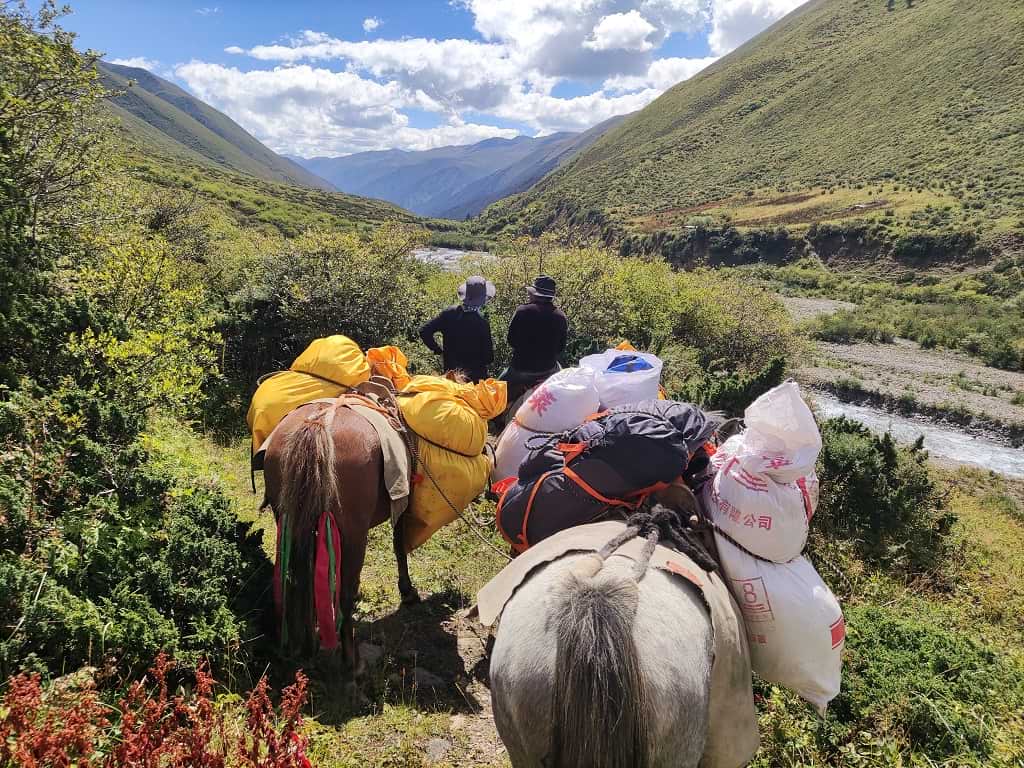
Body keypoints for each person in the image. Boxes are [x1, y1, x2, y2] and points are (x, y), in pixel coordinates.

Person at [502, 275, 568, 402]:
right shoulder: (560, 316)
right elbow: (560, 348)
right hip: (548, 369)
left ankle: (494, 416)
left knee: (498, 387)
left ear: (535, 295)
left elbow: (511, 340)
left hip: (520, 368)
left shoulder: (522, 311)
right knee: (562, 377)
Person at [419, 275, 495, 382]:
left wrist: (438, 350)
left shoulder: (449, 313)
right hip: (475, 379)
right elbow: (489, 358)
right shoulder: (482, 323)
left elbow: (424, 331)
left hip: (452, 376)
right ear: (483, 299)